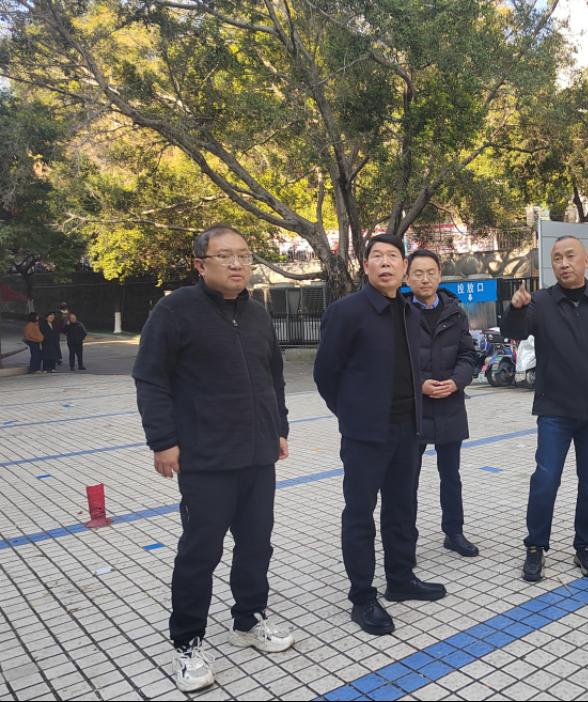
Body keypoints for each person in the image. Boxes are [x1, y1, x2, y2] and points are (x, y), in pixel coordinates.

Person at [133, 224, 293, 693]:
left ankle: (248, 619)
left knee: (257, 544)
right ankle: (187, 642)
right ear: (200, 265)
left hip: (258, 454)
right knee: (200, 552)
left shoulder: (257, 313)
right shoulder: (174, 311)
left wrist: (279, 428)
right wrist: (162, 441)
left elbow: (274, 376)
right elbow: (151, 378)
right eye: (226, 256)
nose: (238, 264)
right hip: (205, 459)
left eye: (244, 255)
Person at [314, 234, 447, 637]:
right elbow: (325, 374)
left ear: (404, 267)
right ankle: (362, 597)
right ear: (366, 265)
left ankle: (400, 579)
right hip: (365, 434)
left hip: (408, 429)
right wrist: (353, 414)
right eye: (377, 256)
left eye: (393, 256)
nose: (386, 262)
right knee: (360, 514)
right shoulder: (346, 312)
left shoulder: (407, 310)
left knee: (402, 508)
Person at [501, 235, 588, 582]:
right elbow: (514, 331)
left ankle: (585, 546)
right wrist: (516, 308)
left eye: (570, 256)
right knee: (545, 480)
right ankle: (535, 546)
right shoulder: (540, 302)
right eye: (557, 258)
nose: (563, 263)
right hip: (555, 410)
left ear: (586, 260)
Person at [405, 249, 479, 558]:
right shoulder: (400, 313)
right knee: (406, 479)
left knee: (451, 476)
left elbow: (468, 355)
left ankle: (454, 532)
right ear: (407, 278)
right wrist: (419, 383)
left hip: (450, 405)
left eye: (430, 272)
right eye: (418, 273)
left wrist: (456, 381)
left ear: (439, 276)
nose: (425, 279)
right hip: (413, 409)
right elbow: (393, 360)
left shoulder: (455, 312)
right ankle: (405, 539)